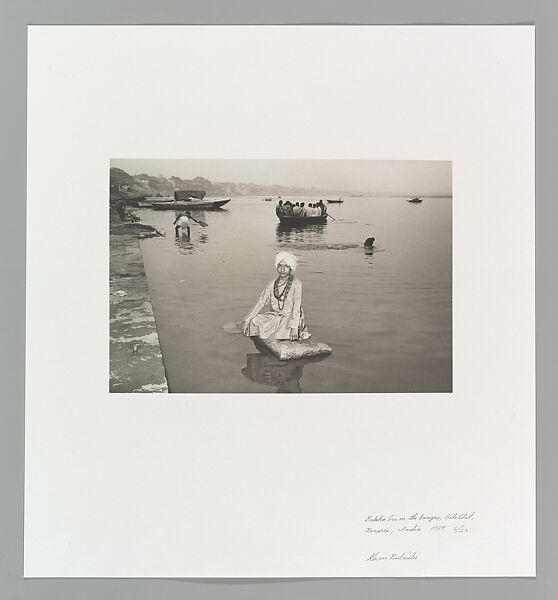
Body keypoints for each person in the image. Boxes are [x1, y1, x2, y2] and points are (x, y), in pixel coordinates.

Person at [241, 251, 311, 342]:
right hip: (276, 316)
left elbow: (296, 307)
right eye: (280, 266)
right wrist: (247, 320)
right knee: (254, 320)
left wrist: (294, 327)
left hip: (291, 317)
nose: (282, 269)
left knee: (284, 327)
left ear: (291, 268)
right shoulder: (272, 284)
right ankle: (276, 332)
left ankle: (286, 332)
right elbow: (261, 303)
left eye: (286, 266)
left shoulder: (297, 284)